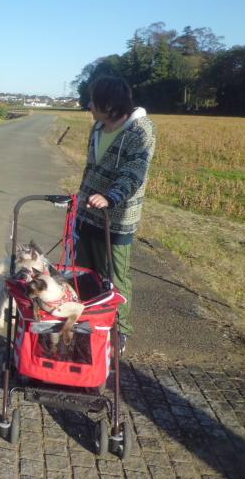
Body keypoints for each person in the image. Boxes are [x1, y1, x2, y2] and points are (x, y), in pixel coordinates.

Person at [75, 75, 156, 355]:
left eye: (93, 101)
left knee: (115, 275)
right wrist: (80, 195)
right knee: (83, 272)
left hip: (117, 217)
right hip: (87, 212)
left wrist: (111, 197)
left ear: (109, 105)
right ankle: (87, 322)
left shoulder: (141, 130)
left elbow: (134, 172)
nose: (88, 105)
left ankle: (120, 331)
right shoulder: (98, 127)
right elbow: (91, 167)